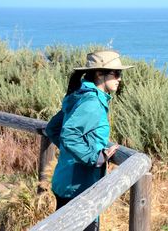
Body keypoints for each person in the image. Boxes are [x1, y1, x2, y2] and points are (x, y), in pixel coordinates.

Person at [45, 50, 133, 231]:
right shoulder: (92, 102)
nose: (120, 78)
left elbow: (53, 129)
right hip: (78, 187)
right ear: (99, 74)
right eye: (116, 73)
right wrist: (95, 157)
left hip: (66, 181)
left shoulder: (80, 95)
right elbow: (69, 135)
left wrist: (72, 154)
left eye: (120, 74)